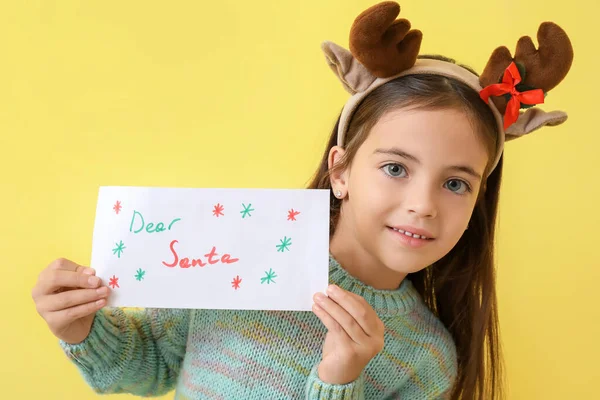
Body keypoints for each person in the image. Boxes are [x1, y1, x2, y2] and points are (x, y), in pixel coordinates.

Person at [31, 2, 573, 399]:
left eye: (456, 183)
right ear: (340, 170)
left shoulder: (427, 360)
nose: (423, 204)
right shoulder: (236, 255)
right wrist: (80, 328)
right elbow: (147, 367)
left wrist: (340, 379)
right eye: (394, 168)